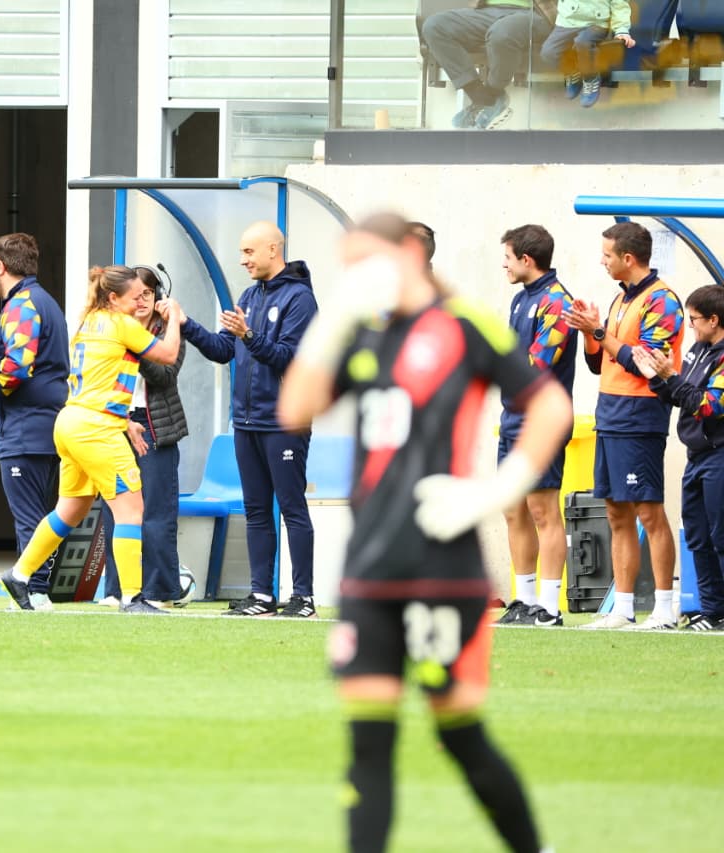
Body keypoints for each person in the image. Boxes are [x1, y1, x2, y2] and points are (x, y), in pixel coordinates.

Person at [278, 211, 570, 853]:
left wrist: (493, 490)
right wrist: (332, 324)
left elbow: (550, 402)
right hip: (368, 569)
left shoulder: (466, 327)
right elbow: (295, 407)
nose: (357, 278)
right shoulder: (366, 334)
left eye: (367, 263)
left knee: (459, 734)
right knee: (368, 746)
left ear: (411, 255)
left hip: (443, 567)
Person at [0, 265, 183, 615]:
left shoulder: (89, 321)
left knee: (71, 508)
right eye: (134, 297)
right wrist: (174, 317)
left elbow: (100, 378)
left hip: (71, 421)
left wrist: (125, 419)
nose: (140, 303)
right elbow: (169, 355)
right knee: (131, 509)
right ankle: (132, 598)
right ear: (114, 298)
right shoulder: (122, 324)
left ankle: (19, 575)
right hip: (97, 429)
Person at [174, 221, 318, 618]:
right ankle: (262, 597)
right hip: (247, 422)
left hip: (284, 422)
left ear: (273, 250)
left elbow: (291, 357)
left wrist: (250, 335)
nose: (242, 261)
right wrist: (188, 326)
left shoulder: (300, 299)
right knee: (255, 509)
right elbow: (225, 350)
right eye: (241, 253)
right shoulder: (250, 296)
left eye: (249, 253)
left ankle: (303, 598)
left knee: (291, 507)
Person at [564, 221, 684, 629]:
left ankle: (665, 609)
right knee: (616, 512)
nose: (602, 260)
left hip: (641, 416)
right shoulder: (619, 301)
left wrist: (600, 332)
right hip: (610, 416)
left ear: (628, 259)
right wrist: (590, 334)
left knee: (649, 512)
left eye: (607, 254)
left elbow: (644, 363)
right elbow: (603, 363)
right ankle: (623, 608)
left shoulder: (663, 301)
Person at [0, 233, 70, 612]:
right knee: (40, 515)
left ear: (0, 266)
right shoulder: (47, 302)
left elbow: (15, 370)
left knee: (29, 517)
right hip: (45, 424)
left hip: (25, 427)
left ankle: (34, 591)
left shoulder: (22, 305)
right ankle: (37, 589)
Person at [496, 225, 577, 627]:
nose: (504, 265)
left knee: (543, 510)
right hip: (512, 419)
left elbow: (535, 365)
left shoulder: (558, 303)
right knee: (513, 510)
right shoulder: (519, 300)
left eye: (508, 258)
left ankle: (549, 608)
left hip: (541, 421)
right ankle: (523, 601)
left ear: (527, 260)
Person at [98, 265, 190, 608]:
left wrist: (136, 347)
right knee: (115, 508)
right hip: (115, 422)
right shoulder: (110, 327)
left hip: (155, 426)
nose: (140, 302)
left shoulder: (169, 331)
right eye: (135, 295)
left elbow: (167, 375)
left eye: (147, 295)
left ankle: (160, 591)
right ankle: (117, 590)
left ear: (158, 298)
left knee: (157, 510)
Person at [633, 285, 724, 632]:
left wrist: (670, 378)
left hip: (719, 456)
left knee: (721, 535)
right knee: (698, 536)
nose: (692, 326)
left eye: (696, 320)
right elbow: (683, 396)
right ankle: (711, 611)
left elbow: (709, 405)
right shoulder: (698, 350)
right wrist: (656, 379)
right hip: (696, 455)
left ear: (714, 320)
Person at [421, 1, 555, 129]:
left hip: (534, 12)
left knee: (502, 33)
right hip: (486, 12)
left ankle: (493, 92)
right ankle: (482, 98)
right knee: (434, 26)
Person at [539, 1, 634, 108]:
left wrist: (621, 30)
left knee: (583, 44)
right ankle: (573, 72)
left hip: (596, 22)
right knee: (549, 53)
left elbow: (619, 4)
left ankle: (591, 78)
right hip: (567, 21)